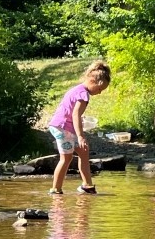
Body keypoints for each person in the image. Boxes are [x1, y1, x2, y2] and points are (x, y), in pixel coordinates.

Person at [48, 60, 111, 195]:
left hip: (65, 127)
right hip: (62, 127)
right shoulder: (83, 95)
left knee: (83, 151)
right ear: (93, 81)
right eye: (100, 89)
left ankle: (87, 185)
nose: (99, 93)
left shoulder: (77, 89)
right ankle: (55, 189)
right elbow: (75, 114)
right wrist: (81, 136)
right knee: (66, 158)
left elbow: (71, 111)